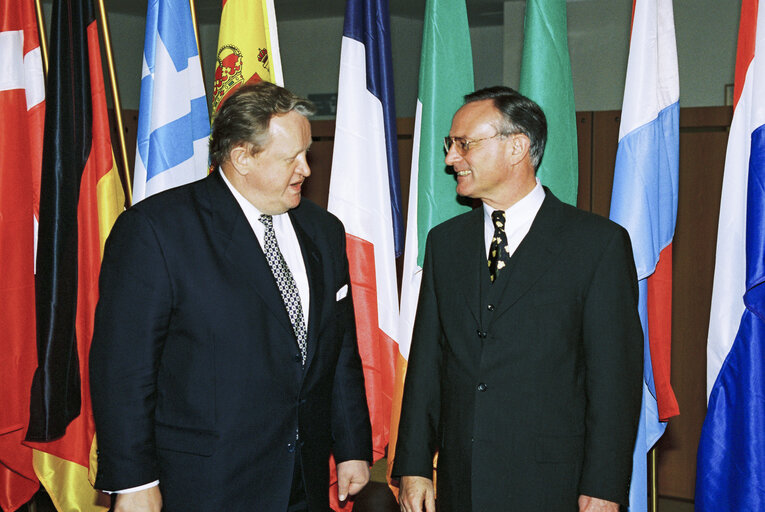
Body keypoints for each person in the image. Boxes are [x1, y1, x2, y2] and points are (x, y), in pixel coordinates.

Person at [90, 81, 372, 512]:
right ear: (242, 157)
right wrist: (133, 481)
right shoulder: (156, 231)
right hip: (207, 485)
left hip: (305, 481)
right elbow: (123, 371)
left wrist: (352, 445)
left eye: (306, 152)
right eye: (290, 158)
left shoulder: (323, 230)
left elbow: (338, 348)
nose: (306, 170)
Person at [392, 86, 643, 512]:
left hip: (553, 483)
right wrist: (414, 464)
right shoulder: (445, 244)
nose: (451, 158)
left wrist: (604, 486)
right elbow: (427, 363)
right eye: (450, 145)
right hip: (461, 481)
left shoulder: (596, 245)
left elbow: (614, 379)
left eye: (464, 144)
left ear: (517, 147)